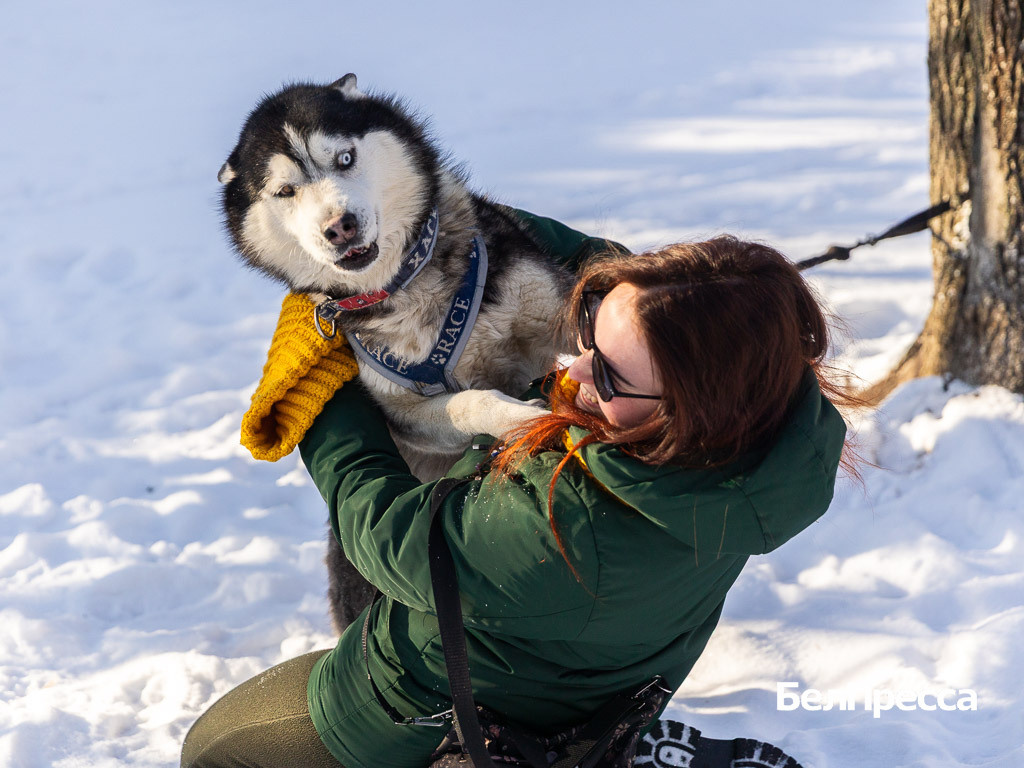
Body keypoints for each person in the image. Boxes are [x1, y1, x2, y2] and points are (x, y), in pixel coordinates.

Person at [181, 234, 853, 768]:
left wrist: (323, 388)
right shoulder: (765, 432)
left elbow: (382, 528)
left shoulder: (565, 526)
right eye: (590, 327)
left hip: (426, 703)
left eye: (611, 374)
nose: (573, 366)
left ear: (694, 407)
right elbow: (621, 276)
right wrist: (457, 226)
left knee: (213, 749)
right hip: (600, 687)